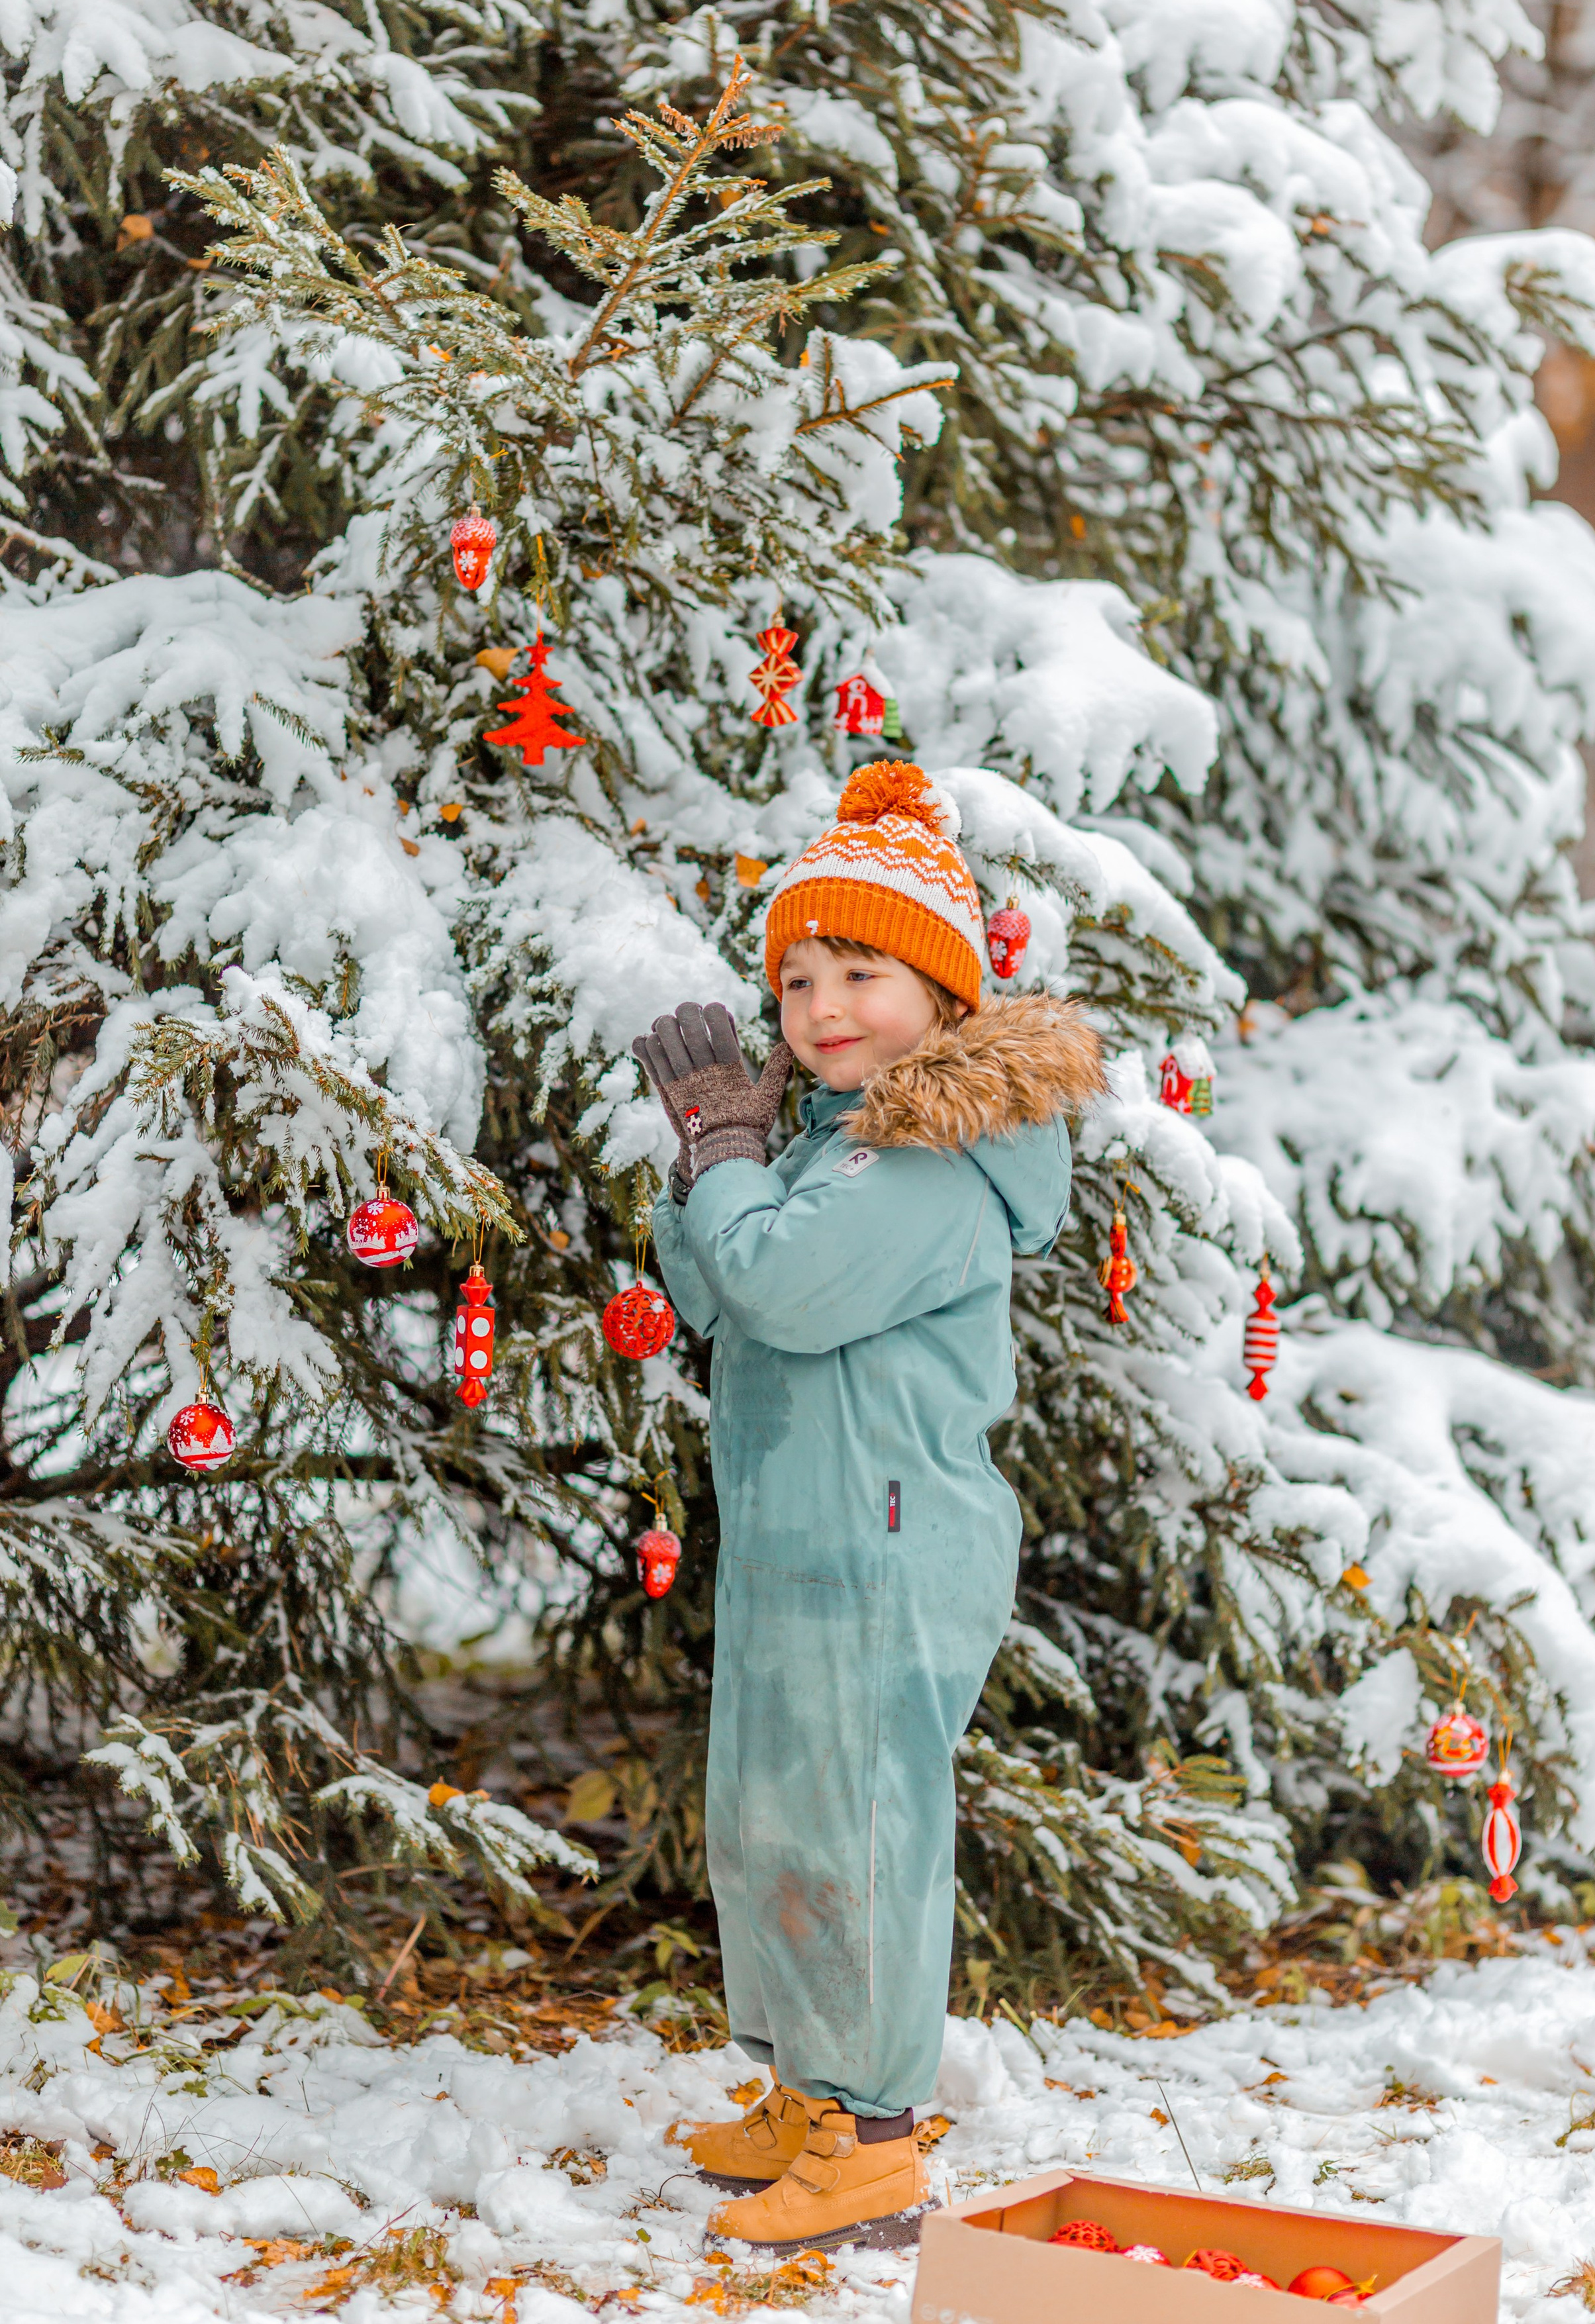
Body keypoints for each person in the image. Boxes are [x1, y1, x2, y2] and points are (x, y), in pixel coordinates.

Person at [638, 761, 1103, 2253]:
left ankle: (879, 2144)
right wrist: (710, 1165)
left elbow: (777, 1280)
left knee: (857, 1826)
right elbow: (717, 1289)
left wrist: (727, 1167)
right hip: (805, 1525)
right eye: (794, 979)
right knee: (775, 1821)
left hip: (889, 1539)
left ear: (945, 997)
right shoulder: (838, 1137)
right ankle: (810, 2093)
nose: (820, 1007)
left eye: (860, 973)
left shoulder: (931, 1153)